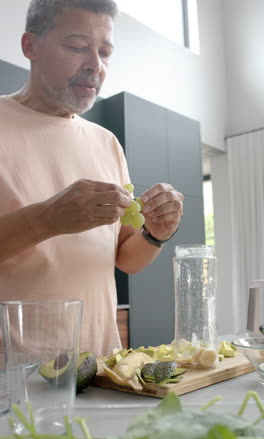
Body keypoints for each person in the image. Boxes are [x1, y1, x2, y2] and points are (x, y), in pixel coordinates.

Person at [0, 0, 184, 357]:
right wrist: (47, 219)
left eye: (104, 52)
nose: (94, 66)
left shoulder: (107, 143)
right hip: (13, 377)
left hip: (101, 364)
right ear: (30, 46)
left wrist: (155, 233)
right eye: (76, 47)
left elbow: (124, 258)